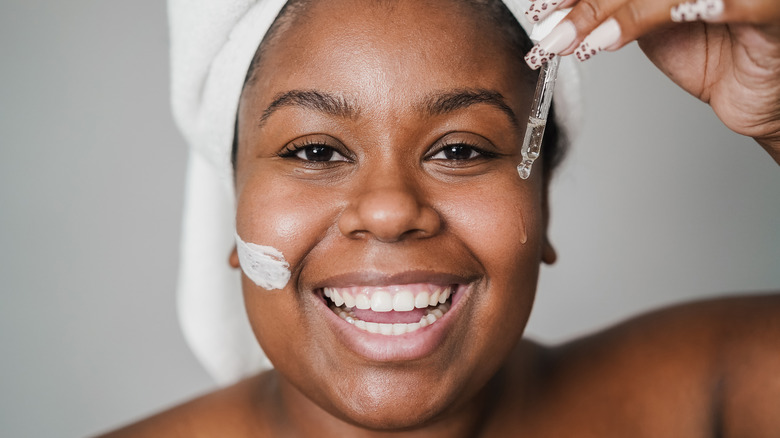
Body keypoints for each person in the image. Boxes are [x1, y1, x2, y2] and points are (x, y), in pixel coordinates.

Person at [102, 0, 779, 436]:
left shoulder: (711, 398)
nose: (391, 210)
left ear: (543, 201)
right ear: (235, 200)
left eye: (460, 149)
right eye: (314, 150)